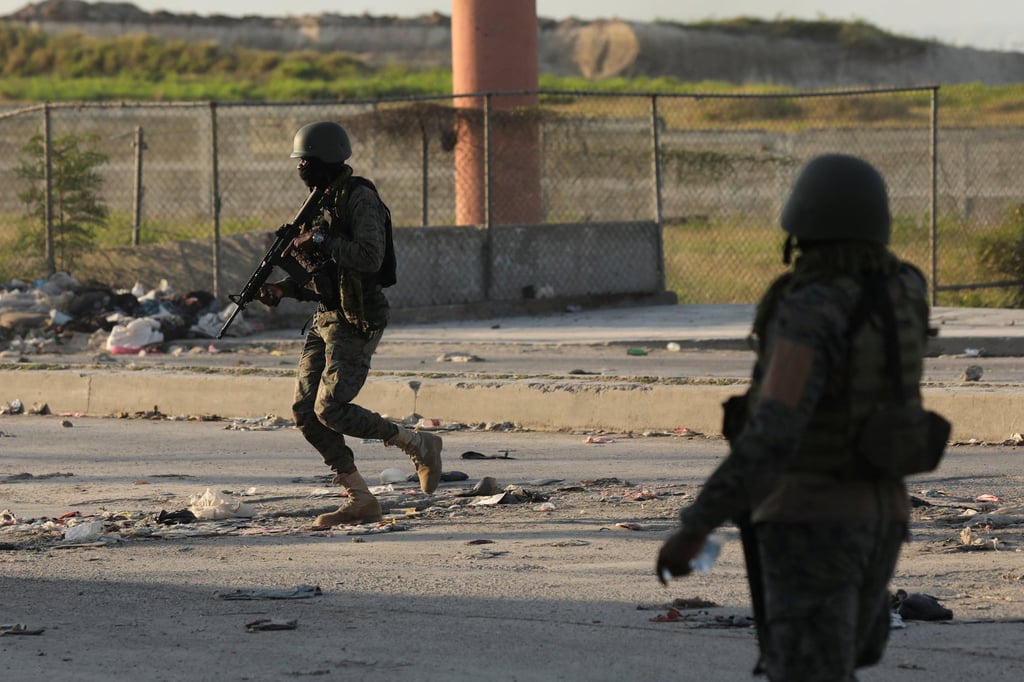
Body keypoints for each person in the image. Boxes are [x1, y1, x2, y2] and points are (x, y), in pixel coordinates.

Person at [656, 154, 934, 680]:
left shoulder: (812, 307)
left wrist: (695, 528)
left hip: (811, 520)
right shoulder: (904, 292)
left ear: (803, 221)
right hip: (883, 517)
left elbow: (772, 433)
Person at [257, 120, 442, 528]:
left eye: (305, 161)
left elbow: (369, 257)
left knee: (332, 408)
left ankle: (417, 443)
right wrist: (284, 290)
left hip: (358, 315)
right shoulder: (318, 203)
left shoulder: (358, 197)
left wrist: (320, 240)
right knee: (306, 411)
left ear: (324, 159)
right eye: (298, 161)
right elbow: (323, 277)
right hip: (325, 316)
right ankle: (360, 499)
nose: (300, 168)